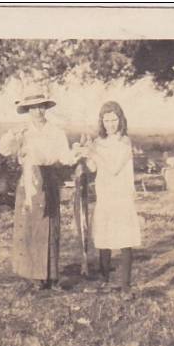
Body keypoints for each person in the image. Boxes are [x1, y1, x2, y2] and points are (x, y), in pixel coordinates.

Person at [0, 89, 73, 290]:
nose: (37, 111)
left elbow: (65, 157)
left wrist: (77, 155)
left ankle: (52, 275)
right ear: (27, 110)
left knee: (50, 226)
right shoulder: (23, 132)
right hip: (29, 179)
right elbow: (3, 150)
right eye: (33, 108)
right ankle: (34, 276)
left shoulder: (56, 132)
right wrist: (11, 135)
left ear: (46, 108)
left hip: (49, 178)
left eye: (41, 107)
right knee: (31, 226)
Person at [74, 101, 142, 292]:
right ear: (101, 122)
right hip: (104, 193)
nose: (110, 124)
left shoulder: (125, 142)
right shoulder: (98, 142)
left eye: (114, 120)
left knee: (124, 238)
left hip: (120, 195)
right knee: (105, 237)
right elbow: (94, 167)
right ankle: (105, 280)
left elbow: (113, 168)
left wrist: (94, 153)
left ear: (121, 120)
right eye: (106, 120)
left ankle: (125, 284)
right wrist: (86, 152)